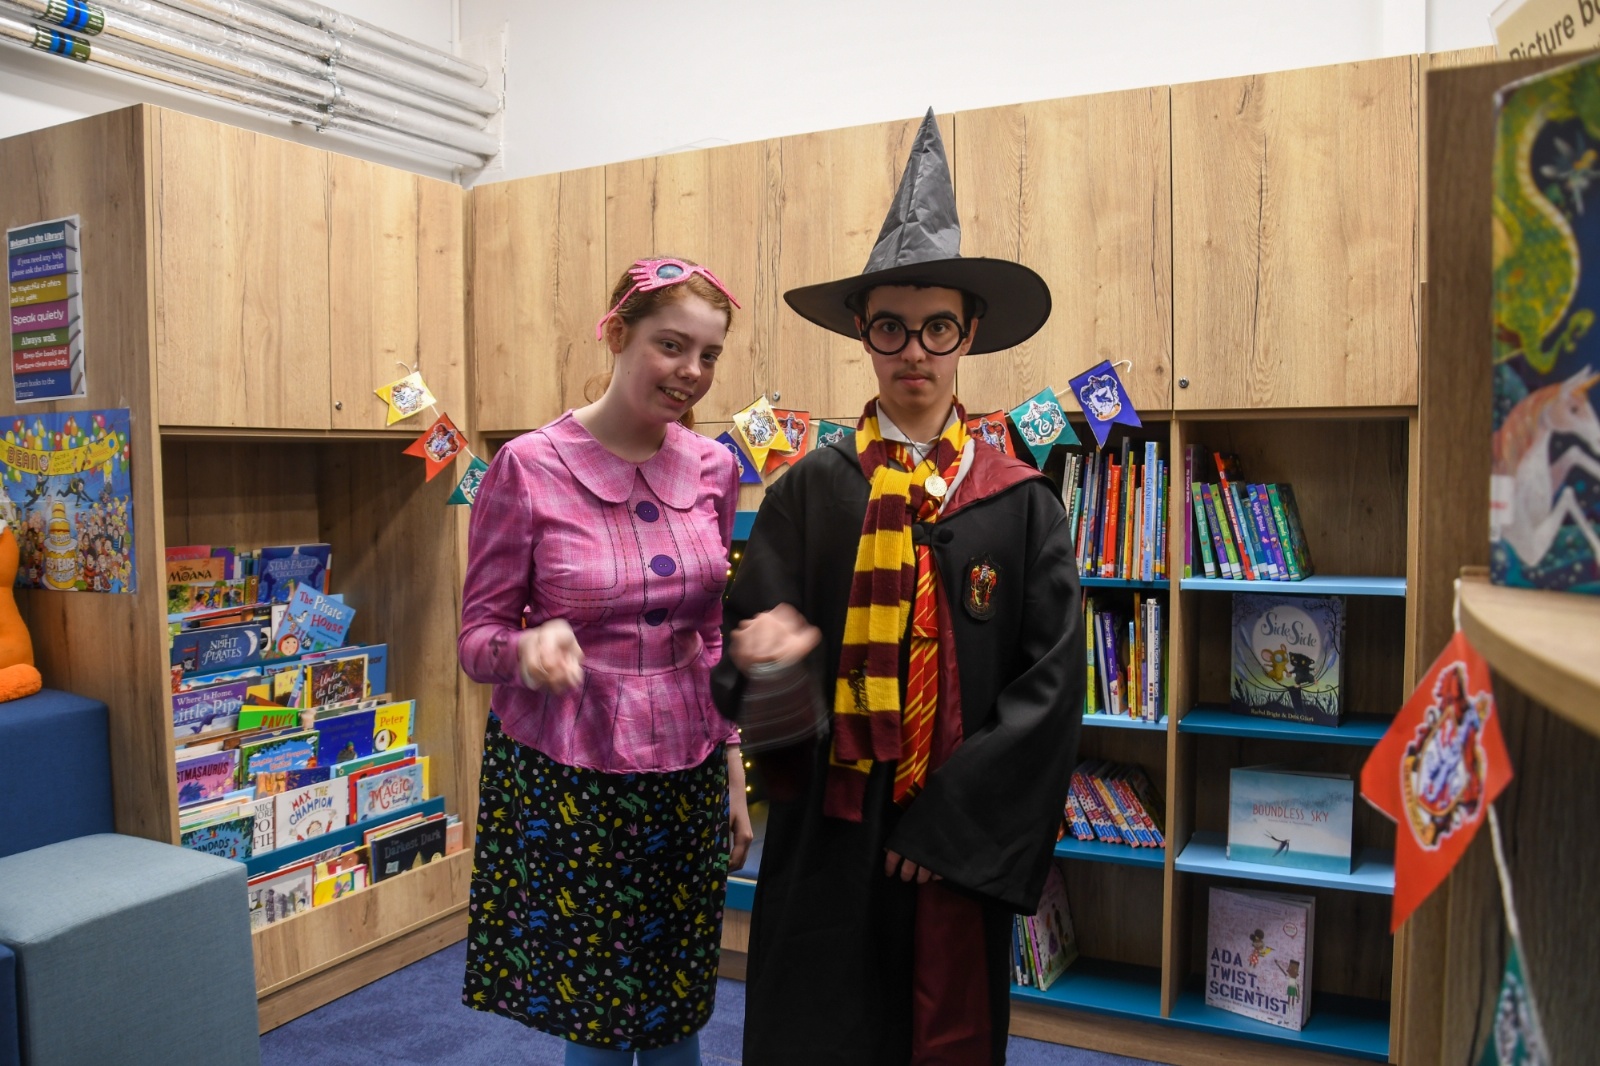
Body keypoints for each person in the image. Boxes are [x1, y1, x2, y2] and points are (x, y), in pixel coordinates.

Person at [712, 111, 1084, 1065]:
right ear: (862, 334)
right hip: (829, 837)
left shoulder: (1021, 504)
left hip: (948, 843)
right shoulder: (808, 493)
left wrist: (948, 829)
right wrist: (769, 665)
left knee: (938, 1035)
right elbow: (743, 659)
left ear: (969, 336)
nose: (914, 351)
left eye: (937, 328)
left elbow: (1047, 693)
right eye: (891, 327)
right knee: (823, 1032)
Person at [458, 257, 756, 1066]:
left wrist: (733, 765)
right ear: (618, 333)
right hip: (569, 773)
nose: (692, 372)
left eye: (709, 354)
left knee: (677, 1000)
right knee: (595, 1011)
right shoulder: (528, 466)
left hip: (688, 767)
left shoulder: (715, 467)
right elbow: (477, 640)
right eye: (672, 345)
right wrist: (526, 650)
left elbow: (710, 633)